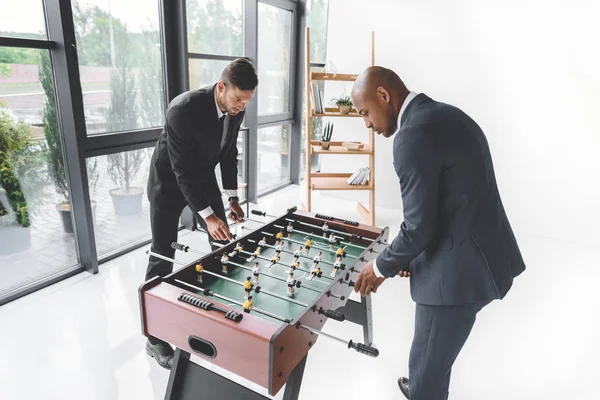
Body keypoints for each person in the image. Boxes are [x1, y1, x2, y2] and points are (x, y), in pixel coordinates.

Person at [351, 66, 525, 400]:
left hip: (458, 276)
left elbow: (418, 227)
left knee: (428, 364)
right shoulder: (449, 114)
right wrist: (411, 256)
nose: (367, 124)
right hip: (487, 255)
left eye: (365, 113)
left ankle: (423, 389)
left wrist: (378, 267)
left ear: (384, 96)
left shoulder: (411, 136)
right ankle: (420, 383)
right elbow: (450, 201)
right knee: (427, 356)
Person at [144, 58, 258, 369]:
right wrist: (207, 215)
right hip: (169, 184)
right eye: (237, 99)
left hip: (204, 178)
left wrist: (233, 198)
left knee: (223, 244)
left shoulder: (238, 107)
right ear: (221, 88)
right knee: (163, 255)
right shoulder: (182, 109)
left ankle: (222, 315)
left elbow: (229, 152)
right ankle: (154, 338)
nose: (240, 107)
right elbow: (181, 171)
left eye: (246, 101)